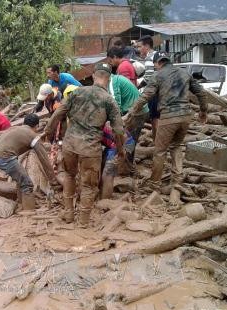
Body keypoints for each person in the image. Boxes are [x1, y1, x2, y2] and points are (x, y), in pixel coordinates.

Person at [44, 63, 125, 224]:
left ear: (94, 76)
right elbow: (119, 131)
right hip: (90, 149)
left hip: (70, 145)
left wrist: (48, 132)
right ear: (108, 79)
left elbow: (58, 113)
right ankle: (83, 221)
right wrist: (120, 150)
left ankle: (68, 214)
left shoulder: (77, 92)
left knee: (69, 175)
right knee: (88, 185)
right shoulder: (109, 101)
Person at [126, 52, 208, 193]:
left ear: (158, 63)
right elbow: (201, 92)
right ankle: (177, 180)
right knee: (176, 146)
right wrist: (203, 111)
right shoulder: (185, 73)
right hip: (185, 116)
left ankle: (154, 184)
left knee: (160, 151)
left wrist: (131, 112)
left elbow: (145, 96)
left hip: (169, 117)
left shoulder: (157, 75)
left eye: (155, 65)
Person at [0, 114, 59, 210]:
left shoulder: (14, 128)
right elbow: (44, 159)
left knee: (20, 178)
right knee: (27, 183)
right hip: (6, 158)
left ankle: (22, 203)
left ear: (24, 123)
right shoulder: (33, 136)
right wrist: (53, 181)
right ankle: (29, 211)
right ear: (36, 126)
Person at [136, 35, 159, 138]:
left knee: (155, 118)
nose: (138, 49)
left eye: (140, 46)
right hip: (166, 91)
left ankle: (157, 141)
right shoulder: (159, 54)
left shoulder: (150, 58)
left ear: (146, 46)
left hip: (155, 92)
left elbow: (148, 78)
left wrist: (138, 87)